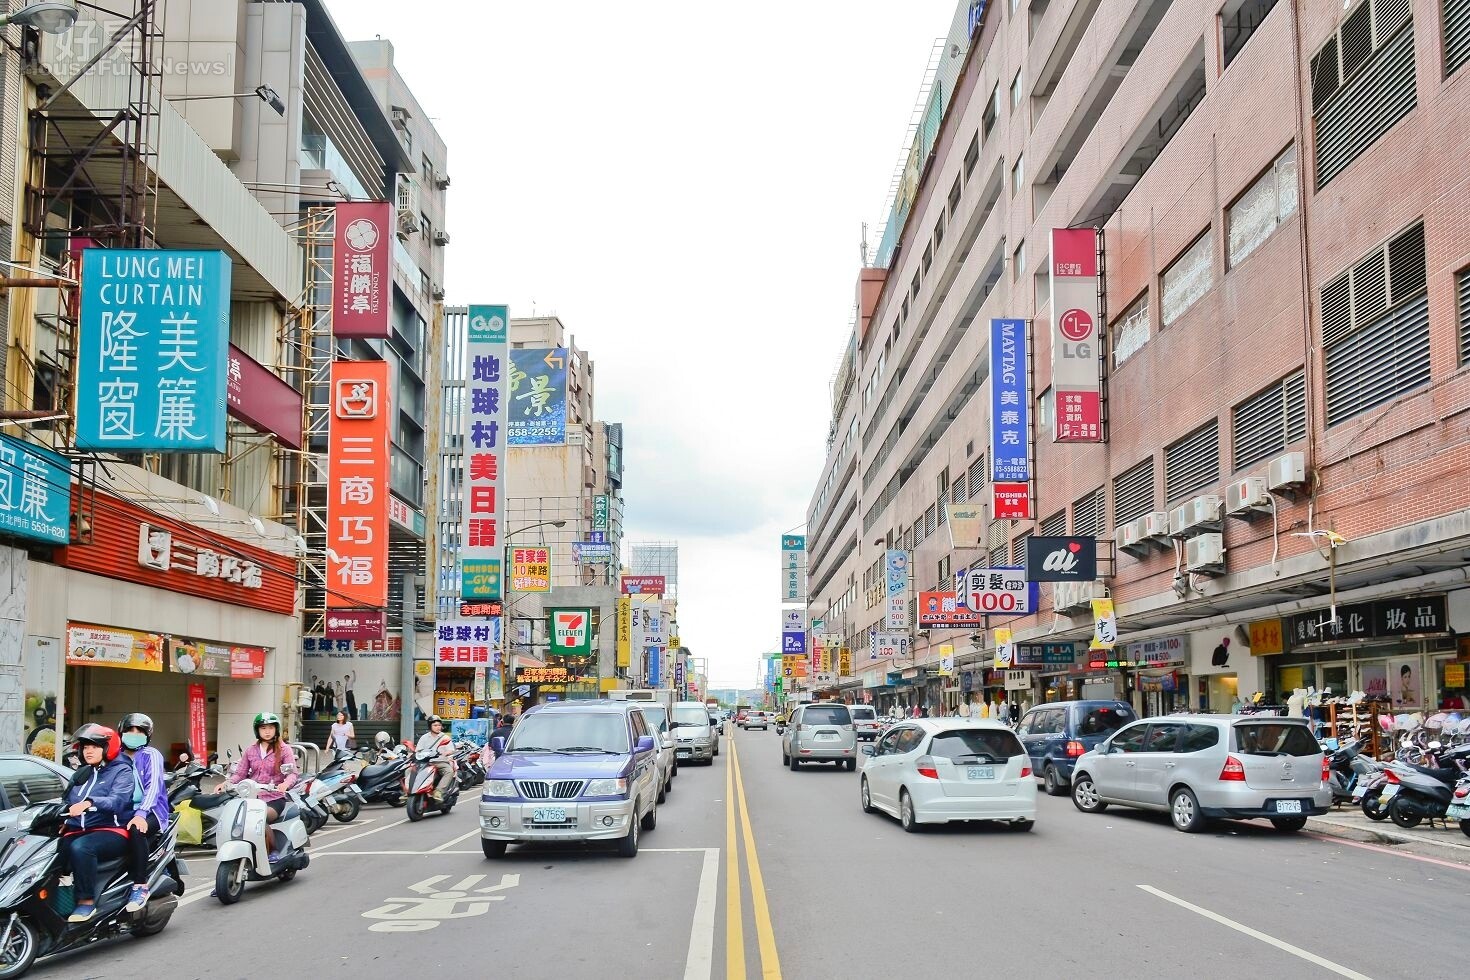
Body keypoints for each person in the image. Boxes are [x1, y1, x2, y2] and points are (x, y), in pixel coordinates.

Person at [59, 724, 136, 923]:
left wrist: (90, 802)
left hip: (112, 830)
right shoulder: (82, 774)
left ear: (107, 748)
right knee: (50, 850)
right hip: (78, 829)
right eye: (85, 747)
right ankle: (57, 900)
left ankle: (86, 902)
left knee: (81, 848)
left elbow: (118, 800)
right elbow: (66, 801)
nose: (89, 751)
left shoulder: (121, 771)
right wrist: (63, 819)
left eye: (94, 746)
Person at [221, 712, 298, 861]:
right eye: (263, 728)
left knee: (259, 818)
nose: (267, 731)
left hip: (274, 798)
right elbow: (240, 774)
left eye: (270, 727)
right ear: (258, 730)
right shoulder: (251, 750)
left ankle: (273, 850)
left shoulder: (284, 749)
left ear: (276, 729)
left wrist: (285, 784)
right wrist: (227, 783)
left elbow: (292, 774)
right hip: (252, 797)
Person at [118, 712, 169, 913]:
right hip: (123, 810)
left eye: (139, 731)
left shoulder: (151, 755)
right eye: (129, 730)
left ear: (148, 735)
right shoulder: (115, 756)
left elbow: (153, 788)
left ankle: (140, 886)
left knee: (136, 831)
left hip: (152, 810)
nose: (134, 734)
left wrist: (141, 813)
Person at [415, 715, 456, 801]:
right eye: (435, 725)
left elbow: (451, 750)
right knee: (409, 769)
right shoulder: (424, 737)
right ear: (430, 726)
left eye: (439, 725)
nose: (438, 727)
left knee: (449, 771)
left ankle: (439, 791)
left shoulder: (445, 737)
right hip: (426, 762)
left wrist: (445, 753)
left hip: (439, 761)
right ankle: (408, 791)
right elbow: (418, 750)